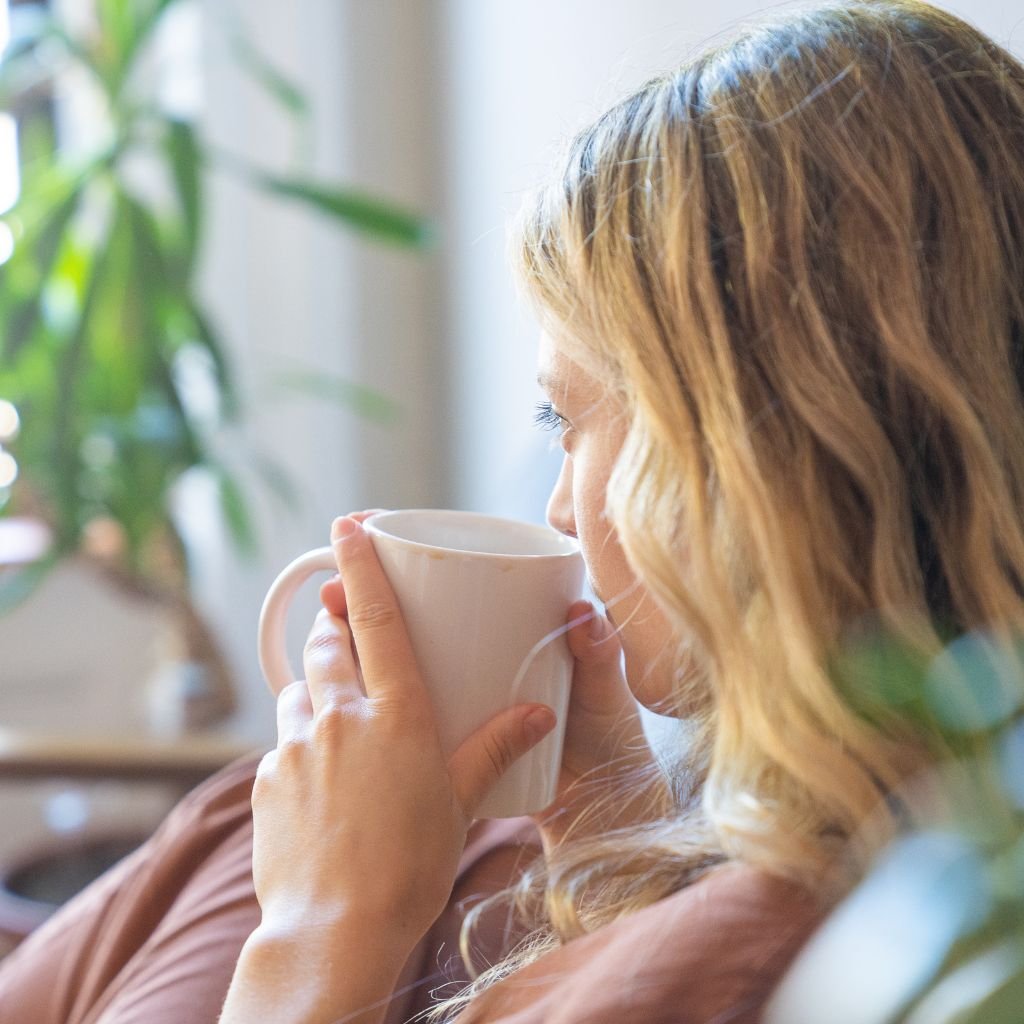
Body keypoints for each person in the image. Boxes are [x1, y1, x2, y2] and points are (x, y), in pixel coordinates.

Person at [5, 0, 1024, 1020]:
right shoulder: (913, 845)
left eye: (568, 416)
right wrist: (606, 840)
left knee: (255, 821)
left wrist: (321, 922)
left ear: (754, 452)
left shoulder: (774, 948)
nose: (559, 511)